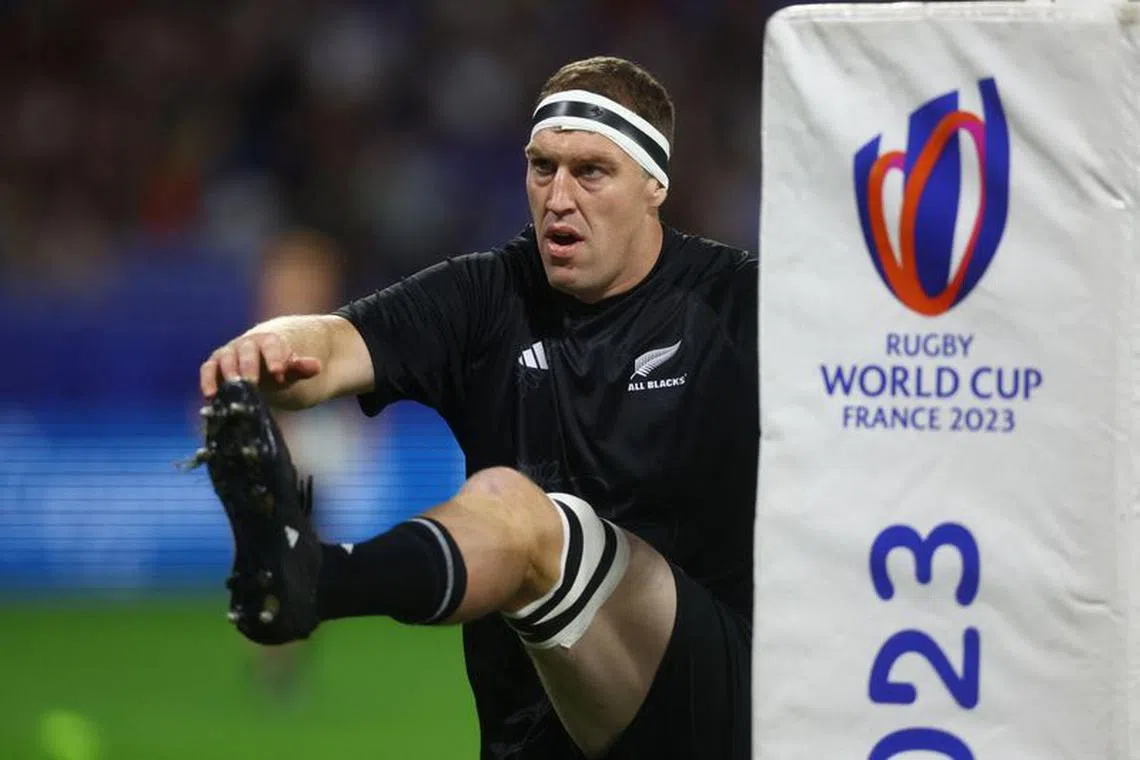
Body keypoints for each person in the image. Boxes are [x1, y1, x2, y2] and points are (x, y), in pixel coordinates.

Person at [197, 56, 757, 759]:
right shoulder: (487, 297)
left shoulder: (736, 302)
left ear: (654, 185)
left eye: (591, 172)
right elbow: (337, 345)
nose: (558, 197)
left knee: (518, 512)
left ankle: (315, 581)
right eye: (542, 167)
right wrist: (265, 351)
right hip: (535, 735)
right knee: (516, 514)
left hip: (703, 712)